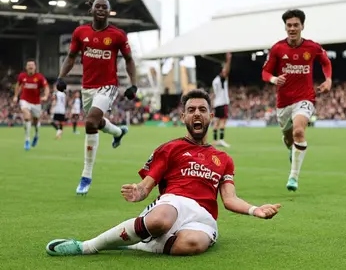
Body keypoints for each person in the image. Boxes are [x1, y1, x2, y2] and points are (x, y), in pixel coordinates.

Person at [46, 89, 281, 257]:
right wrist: (139, 192)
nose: (197, 114)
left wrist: (254, 210)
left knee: (191, 245)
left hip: (204, 216)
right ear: (183, 117)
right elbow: (146, 186)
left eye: (202, 109)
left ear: (211, 116)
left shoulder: (224, 159)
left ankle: (136, 245)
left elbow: (229, 199)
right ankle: (87, 246)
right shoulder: (170, 148)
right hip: (174, 202)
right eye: (191, 110)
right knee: (160, 220)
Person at [55, 0, 138, 195]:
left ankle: (86, 175)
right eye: (97, 6)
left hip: (108, 86)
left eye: (105, 7)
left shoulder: (117, 35)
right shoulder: (80, 32)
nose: (101, 9)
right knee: (96, 122)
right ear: (91, 10)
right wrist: (60, 77)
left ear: (110, 12)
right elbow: (71, 57)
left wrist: (134, 84)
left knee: (90, 121)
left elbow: (129, 60)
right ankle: (118, 132)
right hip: (87, 88)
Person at [262, 9, 332, 191]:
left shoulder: (312, 47)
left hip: (305, 98)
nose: (292, 28)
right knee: (288, 139)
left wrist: (328, 79)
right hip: (283, 102)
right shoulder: (277, 48)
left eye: (296, 25)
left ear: (302, 26)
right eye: (289, 25)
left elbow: (326, 62)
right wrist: (274, 79)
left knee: (299, 131)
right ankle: (292, 151)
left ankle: (293, 177)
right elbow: (265, 72)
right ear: (285, 27)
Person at [13, 59, 50, 150]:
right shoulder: (22, 76)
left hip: (36, 103)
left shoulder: (39, 77)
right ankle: (27, 140)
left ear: (35, 67)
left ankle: (37, 135)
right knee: (26, 116)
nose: (30, 67)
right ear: (26, 67)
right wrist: (15, 96)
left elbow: (46, 87)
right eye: (29, 65)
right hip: (24, 100)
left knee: (36, 121)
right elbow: (18, 86)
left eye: (32, 65)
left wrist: (46, 96)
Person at [212, 53, 231, 148]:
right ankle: (221, 140)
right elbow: (227, 71)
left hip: (217, 103)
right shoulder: (221, 79)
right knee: (223, 121)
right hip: (223, 102)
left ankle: (215, 141)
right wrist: (228, 60)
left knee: (216, 122)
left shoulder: (214, 80)